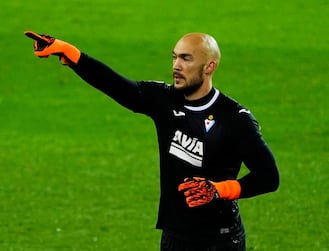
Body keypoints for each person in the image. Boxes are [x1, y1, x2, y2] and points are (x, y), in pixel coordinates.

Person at [24, 30, 279, 251]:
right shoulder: (165, 101)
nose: (176, 65)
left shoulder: (234, 118)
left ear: (209, 67)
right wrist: (70, 52)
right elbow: (119, 86)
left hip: (220, 240)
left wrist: (219, 189)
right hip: (174, 236)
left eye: (186, 58)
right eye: (174, 56)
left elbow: (269, 176)